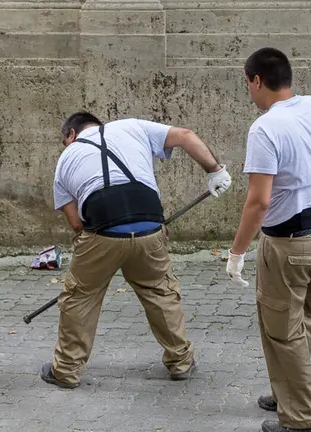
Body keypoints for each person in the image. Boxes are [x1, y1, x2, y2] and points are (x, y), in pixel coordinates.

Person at [39, 111, 232, 389]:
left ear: (71, 134)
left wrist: (106, 253)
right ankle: (181, 362)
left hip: (101, 229)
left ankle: (66, 370)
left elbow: (77, 225)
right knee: (160, 292)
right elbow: (186, 136)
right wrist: (215, 171)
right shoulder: (132, 127)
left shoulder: (65, 160)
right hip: (150, 223)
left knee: (79, 298)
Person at [226, 48, 311, 432]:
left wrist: (236, 252)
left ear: (256, 80)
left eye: (247, 84)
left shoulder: (265, 128)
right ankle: (286, 392)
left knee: (282, 331)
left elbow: (259, 201)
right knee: (300, 322)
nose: (248, 92)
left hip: (287, 244)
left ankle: (302, 418)